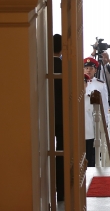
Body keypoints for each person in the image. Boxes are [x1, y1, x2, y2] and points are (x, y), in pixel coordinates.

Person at [52, 34, 64, 202]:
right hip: (62, 116)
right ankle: (61, 192)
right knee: (62, 153)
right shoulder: (63, 65)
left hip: (44, 116)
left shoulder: (41, 64)